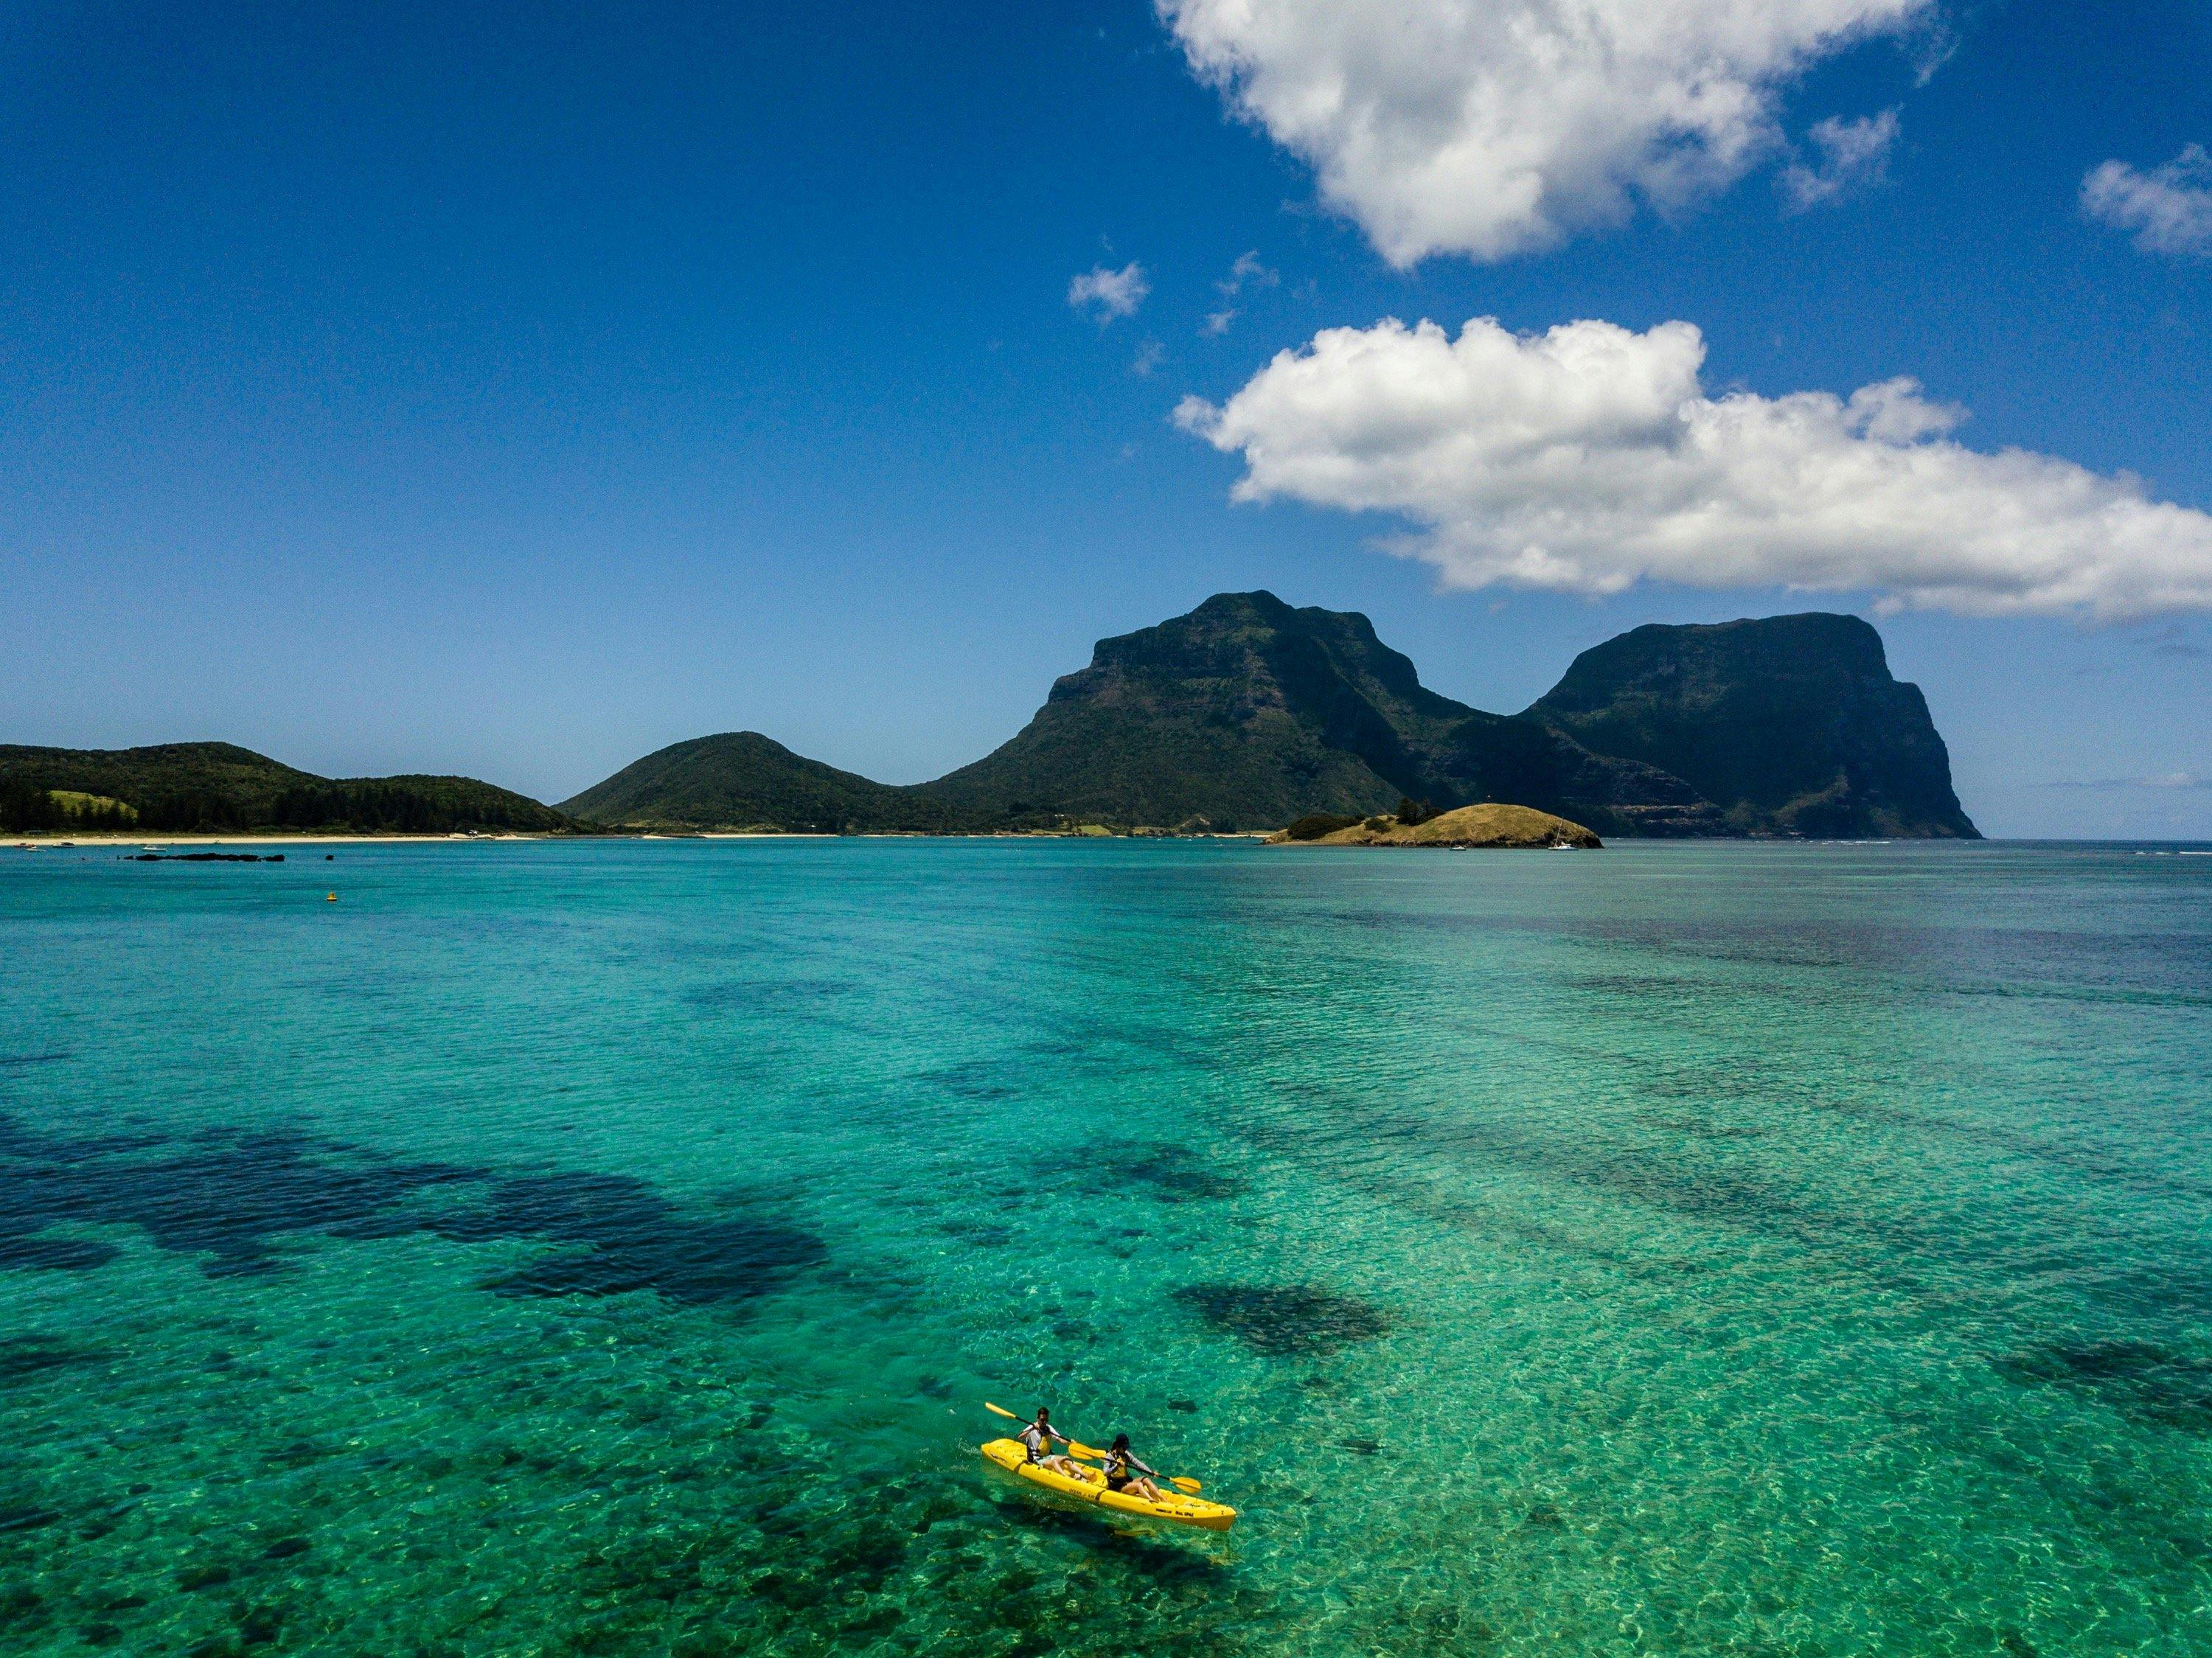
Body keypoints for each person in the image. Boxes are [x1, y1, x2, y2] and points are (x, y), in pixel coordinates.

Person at [1101, 1433, 1163, 1502]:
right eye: (1123, 1448)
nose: (1125, 1450)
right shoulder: (1109, 1456)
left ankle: (1163, 1499)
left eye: (1126, 1448)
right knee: (1139, 1485)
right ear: (1118, 1446)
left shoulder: (1126, 1454)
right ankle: (1152, 1502)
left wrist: (1151, 1472)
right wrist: (1116, 1466)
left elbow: (1138, 1463)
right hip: (1117, 1486)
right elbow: (1105, 1473)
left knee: (1146, 1479)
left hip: (1126, 1482)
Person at [1018, 1407, 1078, 1475]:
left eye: (1046, 1420)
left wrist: (1070, 1442)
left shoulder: (1049, 1428)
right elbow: (1020, 1437)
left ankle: (1080, 1475)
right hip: (1035, 1459)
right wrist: (1032, 1428)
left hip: (1048, 1456)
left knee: (1066, 1459)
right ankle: (1066, 1478)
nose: (1044, 1422)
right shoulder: (1032, 1427)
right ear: (1038, 1418)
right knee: (1054, 1462)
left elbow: (1060, 1439)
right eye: (1042, 1420)